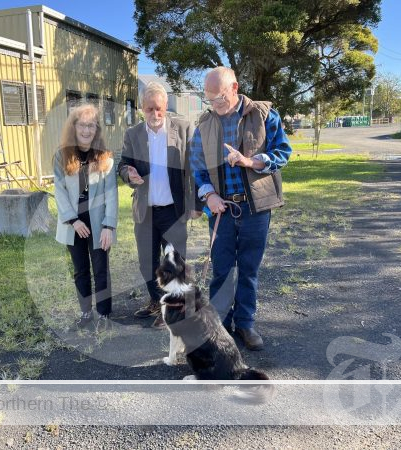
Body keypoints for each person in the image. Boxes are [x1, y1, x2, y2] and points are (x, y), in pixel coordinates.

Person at [190, 67, 292, 350]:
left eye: (219, 98)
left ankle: (245, 324)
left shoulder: (264, 115)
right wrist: (208, 195)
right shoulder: (204, 125)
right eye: (209, 100)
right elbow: (197, 168)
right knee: (222, 269)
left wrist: (251, 162)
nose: (215, 106)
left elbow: (283, 153)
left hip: (255, 208)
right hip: (221, 210)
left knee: (248, 269)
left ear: (234, 88)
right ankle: (221, 325)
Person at [118, 81, 201, 329]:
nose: (155, 114)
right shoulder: (132, 134)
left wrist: (196, 203)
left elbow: (196, 168)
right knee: (147, 262)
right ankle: (156, 301)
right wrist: (127, 173)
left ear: (166, 107)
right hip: (146, 211)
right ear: (142, 108)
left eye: (160, 109)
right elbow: (122, 164)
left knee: (175, 262)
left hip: (173, 211)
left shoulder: (184, 129)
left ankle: (176, 310)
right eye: (150, 109)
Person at [53, 104, 118, 331]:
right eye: (82, 125)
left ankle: (104, 315)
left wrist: (109, 226)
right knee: (80, 270)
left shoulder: (105, 157)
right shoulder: (61, 156)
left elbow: (112, 194)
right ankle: (85, 313)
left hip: (99, 221)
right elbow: (59, 192)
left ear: (97, 129)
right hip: (74, 224)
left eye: (91, 125)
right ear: (74, 127)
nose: (87, 130)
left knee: (101, 269)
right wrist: (73, 220)